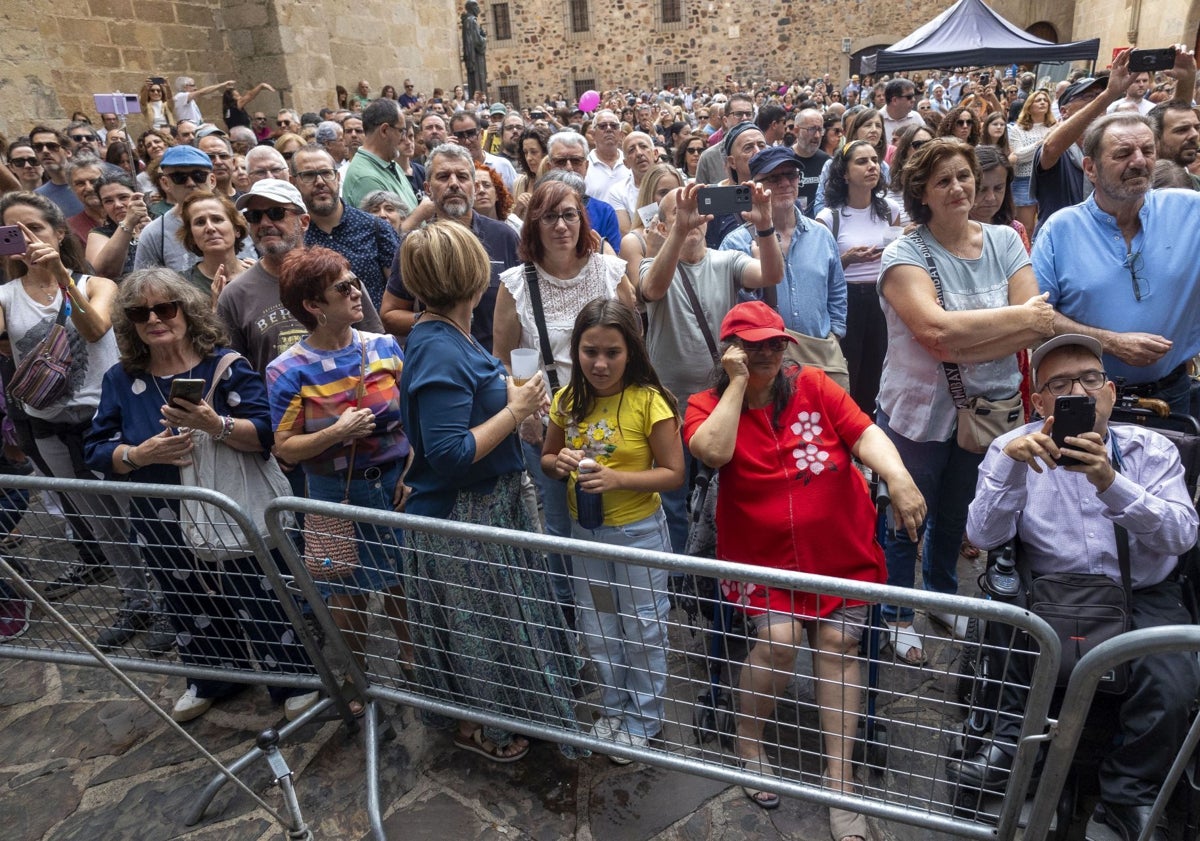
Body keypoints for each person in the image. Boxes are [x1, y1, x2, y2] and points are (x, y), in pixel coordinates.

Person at [684, 301, 924, 836]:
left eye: (773, 343)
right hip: (759, 562)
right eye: (751, 345)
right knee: (781, 639)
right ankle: (748, 744)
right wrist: (735, 387)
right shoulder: (705, 404)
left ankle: (840, 785)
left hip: (840, 555)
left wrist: (899, 476)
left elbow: (865, 433)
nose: (766, 353)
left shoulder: (814, 385)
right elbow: (713, 453)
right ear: (729, 353)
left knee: (839, 644)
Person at [952, 333, 1199, 841]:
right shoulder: (1011, 447)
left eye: (1089, 380)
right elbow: (981, 535)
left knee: (1172, 679)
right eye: (1060, 385)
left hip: (1139, 592)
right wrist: (1010, 468)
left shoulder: (1152, 449)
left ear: (1108, 391)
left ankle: (1127, 796)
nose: (1079, 393)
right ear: (1039, 402)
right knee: (1008, 634)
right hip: (1048, 589)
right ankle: (1014, 760)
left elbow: (1181, 534)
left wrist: (1111, 482)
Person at [85, 268, 319, 723]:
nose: (154, 318)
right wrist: (138, 453)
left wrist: (217, 425)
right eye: (139, 312)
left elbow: (269, 433)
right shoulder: (122, 378)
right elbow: (95, 448)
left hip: (226, 499)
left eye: (164, 307)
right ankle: (213, 678)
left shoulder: (224, 365)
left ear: (187, 311)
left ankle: (292, 676)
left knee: (256, 589)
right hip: (158, 508)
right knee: (184, 595)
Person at [398, 221, 581, 762]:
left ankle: (521, 707)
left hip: (489, 511)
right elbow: (450, 454)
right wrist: (515, 410)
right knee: (479, 629)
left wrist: (512, 406)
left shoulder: (449, 333)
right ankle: (483, 728)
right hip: (464, 518)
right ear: (472, 276)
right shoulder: (436, 348)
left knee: (499, 621)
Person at [877, 139, 1054, 664]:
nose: (958, 188)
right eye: (943, 181)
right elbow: (932, 331)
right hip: (917, 409)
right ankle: (898, 611)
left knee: (957, 512)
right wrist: (1014, 323)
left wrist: (966, 336)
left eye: (964, 176)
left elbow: (1033, 325)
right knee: (906, 514)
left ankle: (942, 592)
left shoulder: (1005, 240)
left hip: (986, 410)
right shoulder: (904, 253)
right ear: (922, 194)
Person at [0, 191, 165, 650]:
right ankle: (137, 601)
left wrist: (57, 275)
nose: (27, 239)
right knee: (100, 521)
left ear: (57, 233)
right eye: (14, 231)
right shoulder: (5, 297)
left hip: (107, 421)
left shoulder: (95, 283)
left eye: (34, 227)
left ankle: (171, 601)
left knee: (140, 513)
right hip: (51, 427)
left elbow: (95, 327)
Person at [542, 298, 683, 761]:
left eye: (612, 352)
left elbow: (674, 473)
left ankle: (645, 718)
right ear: (575, 351)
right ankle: (613, 708)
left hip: (638, 536)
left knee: (643, 626)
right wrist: (557, 462)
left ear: (632, 352)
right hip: (587, 538)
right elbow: (547, 458)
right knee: (599, 625)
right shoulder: (566, 400)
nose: (600, 364)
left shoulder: (650, 402)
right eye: (589, 351)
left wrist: (620, 479)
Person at [267, 246, 412, 696]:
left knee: (405, 584)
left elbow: (414, 417)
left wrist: (412, 472)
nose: (356, 292)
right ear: (313, 306)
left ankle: (415, 667)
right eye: (342, 288)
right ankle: (359, 677)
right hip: (333, 495)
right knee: (345, 592)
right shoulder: (287, 370)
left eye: (355, 282)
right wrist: (337, 431)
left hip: (395, 487)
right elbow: (284, 448)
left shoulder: (384, 346)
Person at [492, 179, 635, 607]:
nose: (560, 225)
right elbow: (503, 358)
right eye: (549, 216)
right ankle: (570, 622)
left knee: (622, 514)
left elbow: (635, 342)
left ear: (583, 220)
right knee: (560, 526)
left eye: (569, 214)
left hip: (615, 417)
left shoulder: (609, 271)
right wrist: (524, 410)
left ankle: (624, 608)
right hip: (551, 426)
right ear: (533, 223)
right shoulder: (517, 282)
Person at [1034, 112, 1200, 419]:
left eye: (1148, 151)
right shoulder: (1060, 229)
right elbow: (1036, 317)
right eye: (1123, 154)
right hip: (1084, 397)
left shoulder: (1189, 211)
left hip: (1171, 397)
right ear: (1090, 168)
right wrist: (1110, 343)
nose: (1139, 162)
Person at [816, 140, 901, 416]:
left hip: (882, 297)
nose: (871, 167)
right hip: (848, 300)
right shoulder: (829, 217)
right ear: (844, 173)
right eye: (862, 162)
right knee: (849, 369)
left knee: (879, 369)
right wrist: (847, 259)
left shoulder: (890, 210)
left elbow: (896, 256)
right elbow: (820, 273)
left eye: (875, 160)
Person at [617, 163, 683, 290]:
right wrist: (653, 251)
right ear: (649, 196)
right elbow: (640, 294)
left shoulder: (690, 232)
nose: (672, 198)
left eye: (677, 191)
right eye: (663, 193)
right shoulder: (633, 241)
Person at [176, 189, 252, 300]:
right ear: (191, 236)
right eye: (200, 222)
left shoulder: (257, 273)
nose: (210, 228)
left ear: (236, 229)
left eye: (217, 219)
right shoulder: (182, 285)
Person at [1006, 89, 1056, 234]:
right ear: (1029, 105)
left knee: (1047, 223)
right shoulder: (1017, 129)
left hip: (1049, 179)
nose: (1042, 102)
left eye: (1045, 100)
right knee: (1025, 226)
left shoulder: (1055, 127)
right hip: (1024, 180)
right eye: (1038, 100)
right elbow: (1018, 155)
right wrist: (1042, 144)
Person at [87, 170, 150, 279]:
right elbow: (100, 273)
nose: (117, 205)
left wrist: (153, 232)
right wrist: (128, 223)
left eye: (123, 197)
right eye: (108, 201)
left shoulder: (157, 223)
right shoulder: (98, 234)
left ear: (138, 196)